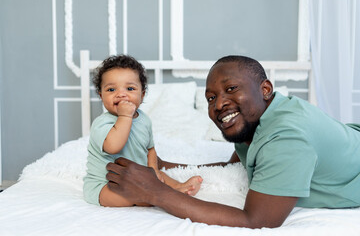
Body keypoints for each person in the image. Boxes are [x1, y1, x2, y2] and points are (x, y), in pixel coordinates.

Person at [105, 55, 360, 227]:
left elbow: (257, 220)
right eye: (210, 98)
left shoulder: (286, 137)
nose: (219, 104)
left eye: (231, 89)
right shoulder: (253, 121)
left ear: (265, 89)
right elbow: (232, 167)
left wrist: (154, 191)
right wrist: (163, 164)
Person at [83, 55, 203, 207]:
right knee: (123, 196)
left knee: (162, 176)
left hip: (138, 178)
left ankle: (178, 187)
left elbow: (150, 149)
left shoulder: (144, 120)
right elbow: (113, 147)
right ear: (101, 95)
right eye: (111, 89)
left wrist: (153, 173)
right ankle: (157, 197)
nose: (121, 94)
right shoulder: (101, 124)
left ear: (143, 94)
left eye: (130, 88)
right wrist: (125, 116)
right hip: (106, 183)